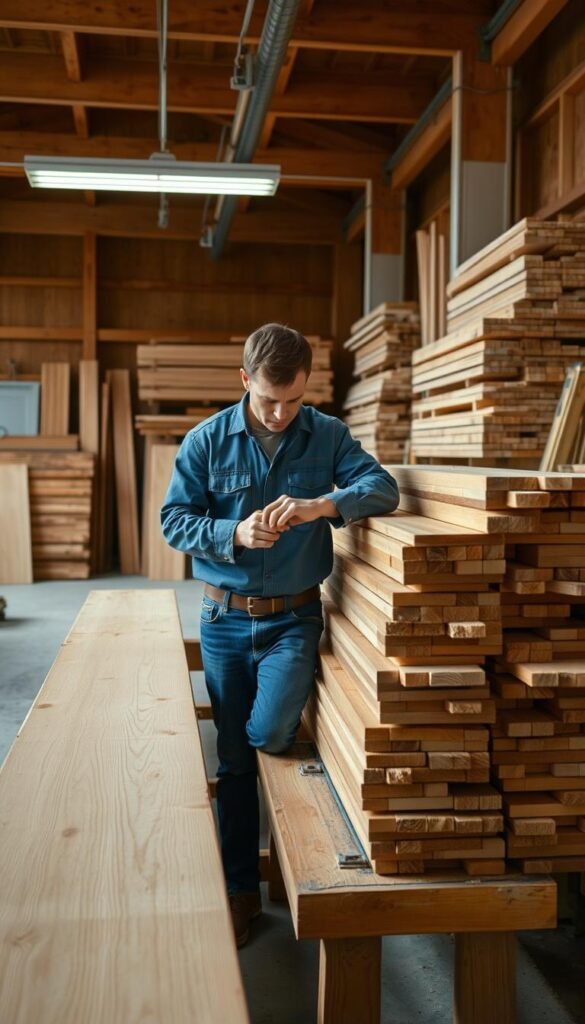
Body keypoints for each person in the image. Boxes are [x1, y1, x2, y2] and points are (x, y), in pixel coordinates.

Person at [161, 323, 399, 947]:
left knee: (267, 733)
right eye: (269, 398)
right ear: (244, 380)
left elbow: (384, 488)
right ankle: (240, 889)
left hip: (294, 618)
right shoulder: (206, 442)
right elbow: (172, 521)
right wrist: (231, 534)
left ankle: (281, 865)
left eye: (294, 400)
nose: (280, 413)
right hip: (224, 619)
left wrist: (323, 505)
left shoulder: (328, 435)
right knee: (234, 762)